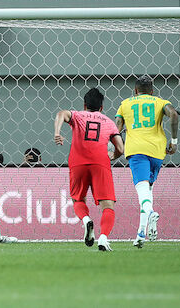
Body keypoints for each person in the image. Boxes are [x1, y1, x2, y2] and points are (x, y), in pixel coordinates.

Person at [54, 88, 124, 252]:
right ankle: (103, 238)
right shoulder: (108, 122)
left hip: (78, 162)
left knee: (78, 199)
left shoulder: (77, 115)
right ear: (101, 107)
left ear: (84, 105)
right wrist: (113, 155)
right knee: (107, 205)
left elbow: (61, 114)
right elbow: (120, 147)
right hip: (100, 163)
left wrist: (57, 132)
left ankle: (86, 220)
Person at [115, 75, 178, 249]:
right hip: (157, 152)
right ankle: (141, 233)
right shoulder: (160, 102)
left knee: (142, 191)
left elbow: (117, 128)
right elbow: (173, 114)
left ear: (135, 91)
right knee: (147, 191)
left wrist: (114, 150)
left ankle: (150, 213)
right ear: (152, 91)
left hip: (137, 151)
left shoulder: (125, 104)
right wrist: (174, 141)